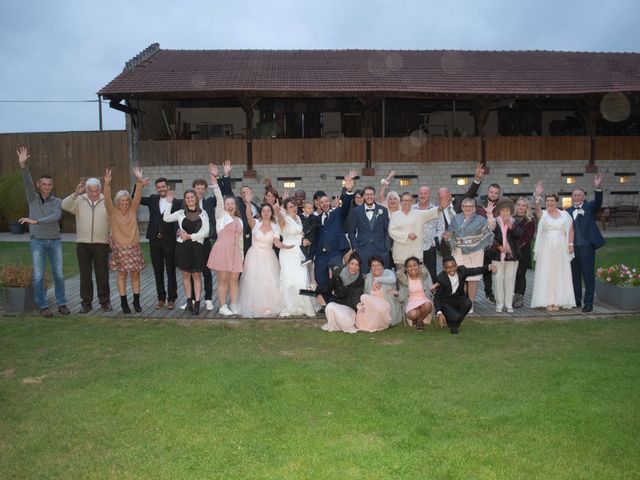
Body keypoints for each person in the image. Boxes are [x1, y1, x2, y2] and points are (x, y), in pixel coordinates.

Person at [17, 146, 68, 317]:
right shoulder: (32, 198)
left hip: (54, 241)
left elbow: (55, 217)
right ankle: (43, 305)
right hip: (37, 240)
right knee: (38, 276)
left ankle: (62, 303)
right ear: (39, 185)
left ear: (52, 186)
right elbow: (27, 182)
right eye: (43, 184)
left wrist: (35, 221)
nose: (46, 187)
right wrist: (23, 166)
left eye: (49, 184)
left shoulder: (57, 201)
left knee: (59, 274)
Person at [62, 176, 111, 313]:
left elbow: (112, 218)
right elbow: (64, 205)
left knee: (102, 274)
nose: (94, 194)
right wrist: (76, 193)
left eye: (96, 191)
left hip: (101, 243)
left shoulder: (106, 200)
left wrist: (111, 234)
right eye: (91, 191)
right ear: (87, 190)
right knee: (85, 274)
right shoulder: (79, 199)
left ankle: (105, 302)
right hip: (82, 244)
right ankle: (86, 303)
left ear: (100, 190)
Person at [103, 167, 145, 314]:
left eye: (127, 201)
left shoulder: (133, 210)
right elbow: (107, 199)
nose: (125, 203)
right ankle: (123, 303)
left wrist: (139, 180)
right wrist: (107, 184)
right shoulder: (112, 212)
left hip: (133, 247)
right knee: (121, 276)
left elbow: (138, 196)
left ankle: (136, 302)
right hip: (120, 249)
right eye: (122, 201)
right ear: (117, 201)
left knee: (135, 275)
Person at [237, 202, 289, 317]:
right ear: (260, 213)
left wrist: (284, 245)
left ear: (271, 213)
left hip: (269, 256)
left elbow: (276, 241)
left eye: (268, 211)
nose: (266, 213)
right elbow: (248, 216)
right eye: (264, 211)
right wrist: (249, 203)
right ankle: (254, 305)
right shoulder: (255, 223)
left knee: (268, 280)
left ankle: (268, 305)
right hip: (254, 255)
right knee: (253, 280)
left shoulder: (275, 227)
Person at [530, 182, 576, 311]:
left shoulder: (565, 215)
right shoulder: (543, 214)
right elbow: (537, 208)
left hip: (561, 248)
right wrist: (537, 196)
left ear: (557, 202)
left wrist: (571, 244)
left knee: (559, 273)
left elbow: (571, 230)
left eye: (552, 201)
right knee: (548, 273)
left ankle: (558, 300)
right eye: (548, 201)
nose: (550, 203)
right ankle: (548, 301)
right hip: (546, 249)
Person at [442, 197, 493, 312]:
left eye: (471, 206)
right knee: (461, 278)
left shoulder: (481, 220)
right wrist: (447, 237)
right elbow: (451, 233)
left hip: (475, 253)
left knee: (472, 279)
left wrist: (490, 215)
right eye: (466, 206)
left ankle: (471, 303)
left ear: (474, 208)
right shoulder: (456, 218)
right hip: (459, 252)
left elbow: (490, 230)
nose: (468, 209)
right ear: (462, 208)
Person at [163, 189, 210, 314]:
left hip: (197, 247)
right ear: (185, 200)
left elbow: (206, 231)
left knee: (196, 275)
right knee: (185, 275)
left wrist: (191, 236)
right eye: (187, 197)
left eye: (192, 197)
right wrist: (169, 203)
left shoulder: (203, 213)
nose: (190, 199)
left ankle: (197, 304)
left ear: (196, 199)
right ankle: (189, 301)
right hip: (183, 247)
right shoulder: (180, 213)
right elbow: (166, 218)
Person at [207, 166, 244, 316]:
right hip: (222, 251)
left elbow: (240, 240)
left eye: (232, 204)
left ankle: (234, 304)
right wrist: (214, 179)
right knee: (223, 280)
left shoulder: (239, 221)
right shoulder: (221, 216)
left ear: (235, 206)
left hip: (235, 252)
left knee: (234, 279)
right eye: (227, 203)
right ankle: (222, 306)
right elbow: (218, 196)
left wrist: (242, 255)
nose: (230, 205)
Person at [137, 177, 178, 310]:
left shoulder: (176, 202)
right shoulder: (152, 199)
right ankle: (161, 298)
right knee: (157, 270)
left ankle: (171, 299)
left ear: (167, 187)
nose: (161, 189)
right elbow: (135, 198)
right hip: (154, 240)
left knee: (171, 270)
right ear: (156, 188)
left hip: (169, 240)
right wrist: (140, 184)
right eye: (159, 187)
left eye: (163, 186)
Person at [567, 174, 605, 312]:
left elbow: (599, 201)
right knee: (574, 275)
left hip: (587, 247)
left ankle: (588, 303)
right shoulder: (568, 211)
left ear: (583, 197)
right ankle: (576, 300)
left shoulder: (589, 207)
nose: (576, 197)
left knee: (588, 275)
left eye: (579, 195)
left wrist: (597, 187)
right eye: (574, 195)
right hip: (572, 248)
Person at [315, 170, 356, 294]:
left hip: (335, 253)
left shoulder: (337, 213)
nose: (325, 204)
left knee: (338, 276)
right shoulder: (316, 219)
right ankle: (328, 303)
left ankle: (340, 300)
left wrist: (347, 190)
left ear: (330, 202)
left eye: (326, 201)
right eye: (322, 203)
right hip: (321, 256)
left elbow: (346, 204)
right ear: (319, 205)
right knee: (320, 279)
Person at [433, 256, 496, 334]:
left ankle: (454, 325)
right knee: (455, 317)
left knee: (468, 303)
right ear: (444, 269)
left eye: (453, 266)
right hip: (446, 303)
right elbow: (437, 297)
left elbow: (475, 270)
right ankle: (452, 320)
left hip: (459, 299)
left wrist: (488, 267)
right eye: (448, 268)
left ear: (456, 265)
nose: (451, 269)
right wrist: (439, 313)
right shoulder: (440, 278)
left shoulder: (462, 270)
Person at [276, 198, 316, 317]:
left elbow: (301, 234)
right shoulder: (284, 219)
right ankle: (290, 306)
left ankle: (306, 306)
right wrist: (278, 211)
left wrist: (305, 241)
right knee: (289, 281)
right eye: (290, 207)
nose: (293, 208)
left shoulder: (299, 218)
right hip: (287, 253)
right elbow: (280, 220)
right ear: (286, 210)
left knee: (303, 280)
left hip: (299, 253)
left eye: (294, 206)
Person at [437, 162, 485, 255]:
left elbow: (470, 194)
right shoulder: (437, 211)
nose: (445, 198)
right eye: (441, 197)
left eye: (446, 195)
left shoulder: (459, 202)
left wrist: (477, 179)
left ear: (450, 195)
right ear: (439, 199)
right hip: (447, 247)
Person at [389, 192, 441, 270]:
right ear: (401, 202)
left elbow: (432, 212)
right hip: (400, 254)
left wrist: (441, 207)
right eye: (405, 200)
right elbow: (392, 231)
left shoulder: (419, 214)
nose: (407, 202)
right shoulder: (395, 215)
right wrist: (407, 235)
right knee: (402, 280)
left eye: (409, 200)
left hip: (415, 253)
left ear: (412, 201)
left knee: (417, 280)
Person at [317, 253, 365, 333]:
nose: (354, 267)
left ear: (359, 267)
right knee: (330, 306)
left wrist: (357, 304)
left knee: (346, 319)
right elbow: (329, 287)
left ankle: (342, 323)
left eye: (357, 265)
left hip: (349, 305)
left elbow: (357, 294)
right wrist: (317, 289)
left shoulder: (360, 279)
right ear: (348, 264)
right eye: (352, 264)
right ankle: (337, 323)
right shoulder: (338, 272)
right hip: (337, 302)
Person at [347, 185, 390, 273]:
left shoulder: (383, 210)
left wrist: (386, 246)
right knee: (364, 276)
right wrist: (355, 247)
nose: (369, 197)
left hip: (381, 249)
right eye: (367, 195)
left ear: (374, 196)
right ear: (363, 196)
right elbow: (351, 231)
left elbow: (387, 230)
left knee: (382, 275)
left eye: (371, 194)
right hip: (363, 250)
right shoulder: (356, 211)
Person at [489, 198, 520, 313]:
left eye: (507, 210)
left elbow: (518, 235)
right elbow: (490, 238)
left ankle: (508, 304)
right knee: (498, 279)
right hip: (497, 256)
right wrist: (498, 247)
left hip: (512, 256)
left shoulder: (515, 222)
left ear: (511, 211)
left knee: (510, 279)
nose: (505, 213)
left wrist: (510, 226)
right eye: (503, 210)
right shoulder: (494, 222)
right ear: (499, 211)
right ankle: (499, 304)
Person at [356, 255, 401, 332]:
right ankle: (373, 322)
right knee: (364, 298)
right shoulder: (368, 277)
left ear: (383, 266)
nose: (376, 267)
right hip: (372, 307)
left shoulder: (388, 272)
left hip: (386, 305)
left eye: (379, 265)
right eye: (373, 265)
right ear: (370, 268)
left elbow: (393, 279)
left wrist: (377, 279)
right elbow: (365, 293)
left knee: (365, 297)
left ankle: (384, 320)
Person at [476, 182, 502, 305]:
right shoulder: (479, 204)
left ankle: (489, 293)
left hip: (496, 243)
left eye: (496, 193)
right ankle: (470, 296)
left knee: (492, 269)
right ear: (488, 191)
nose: (493, 194)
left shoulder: (501, 206)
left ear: (499, 194)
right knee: (477, 269)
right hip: (480, 243)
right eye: (491, 192)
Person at [412, 185, 444, 282]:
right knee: (415, 272)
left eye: (425, 193)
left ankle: (432, 295)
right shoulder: (412, 209)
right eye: (421, 193)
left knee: (431, 274)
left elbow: (441, 228)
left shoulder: (436, 210)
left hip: (430, 247)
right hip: (414, 247)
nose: (422, 195)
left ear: (429, 195)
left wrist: (435, 241)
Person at [397, 256, 434, 331]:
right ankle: (418, 317)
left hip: (424, 300)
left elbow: (430, 292)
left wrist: (433, 290)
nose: (412, 268)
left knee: (428, 305)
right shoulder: (403, 280)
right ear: (406, 269)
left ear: (419, 266)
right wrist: (397, 293)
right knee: (413, 314)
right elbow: (401, 298)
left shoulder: (425, 276)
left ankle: (419, 321)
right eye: (409, 266)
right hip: (411, 301)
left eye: (414, 265)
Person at [512, 197, 535, 308]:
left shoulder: (530, 221)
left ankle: (520, 297)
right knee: (513, 275)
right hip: (510, 252)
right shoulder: (511, 218)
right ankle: (513, 295)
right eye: (519, 205)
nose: (521, 207)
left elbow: (528, 238)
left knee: (521, 275)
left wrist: (517, 248)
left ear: (526, 208)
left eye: (523, 205)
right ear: (515, 206)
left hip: (522, 252)